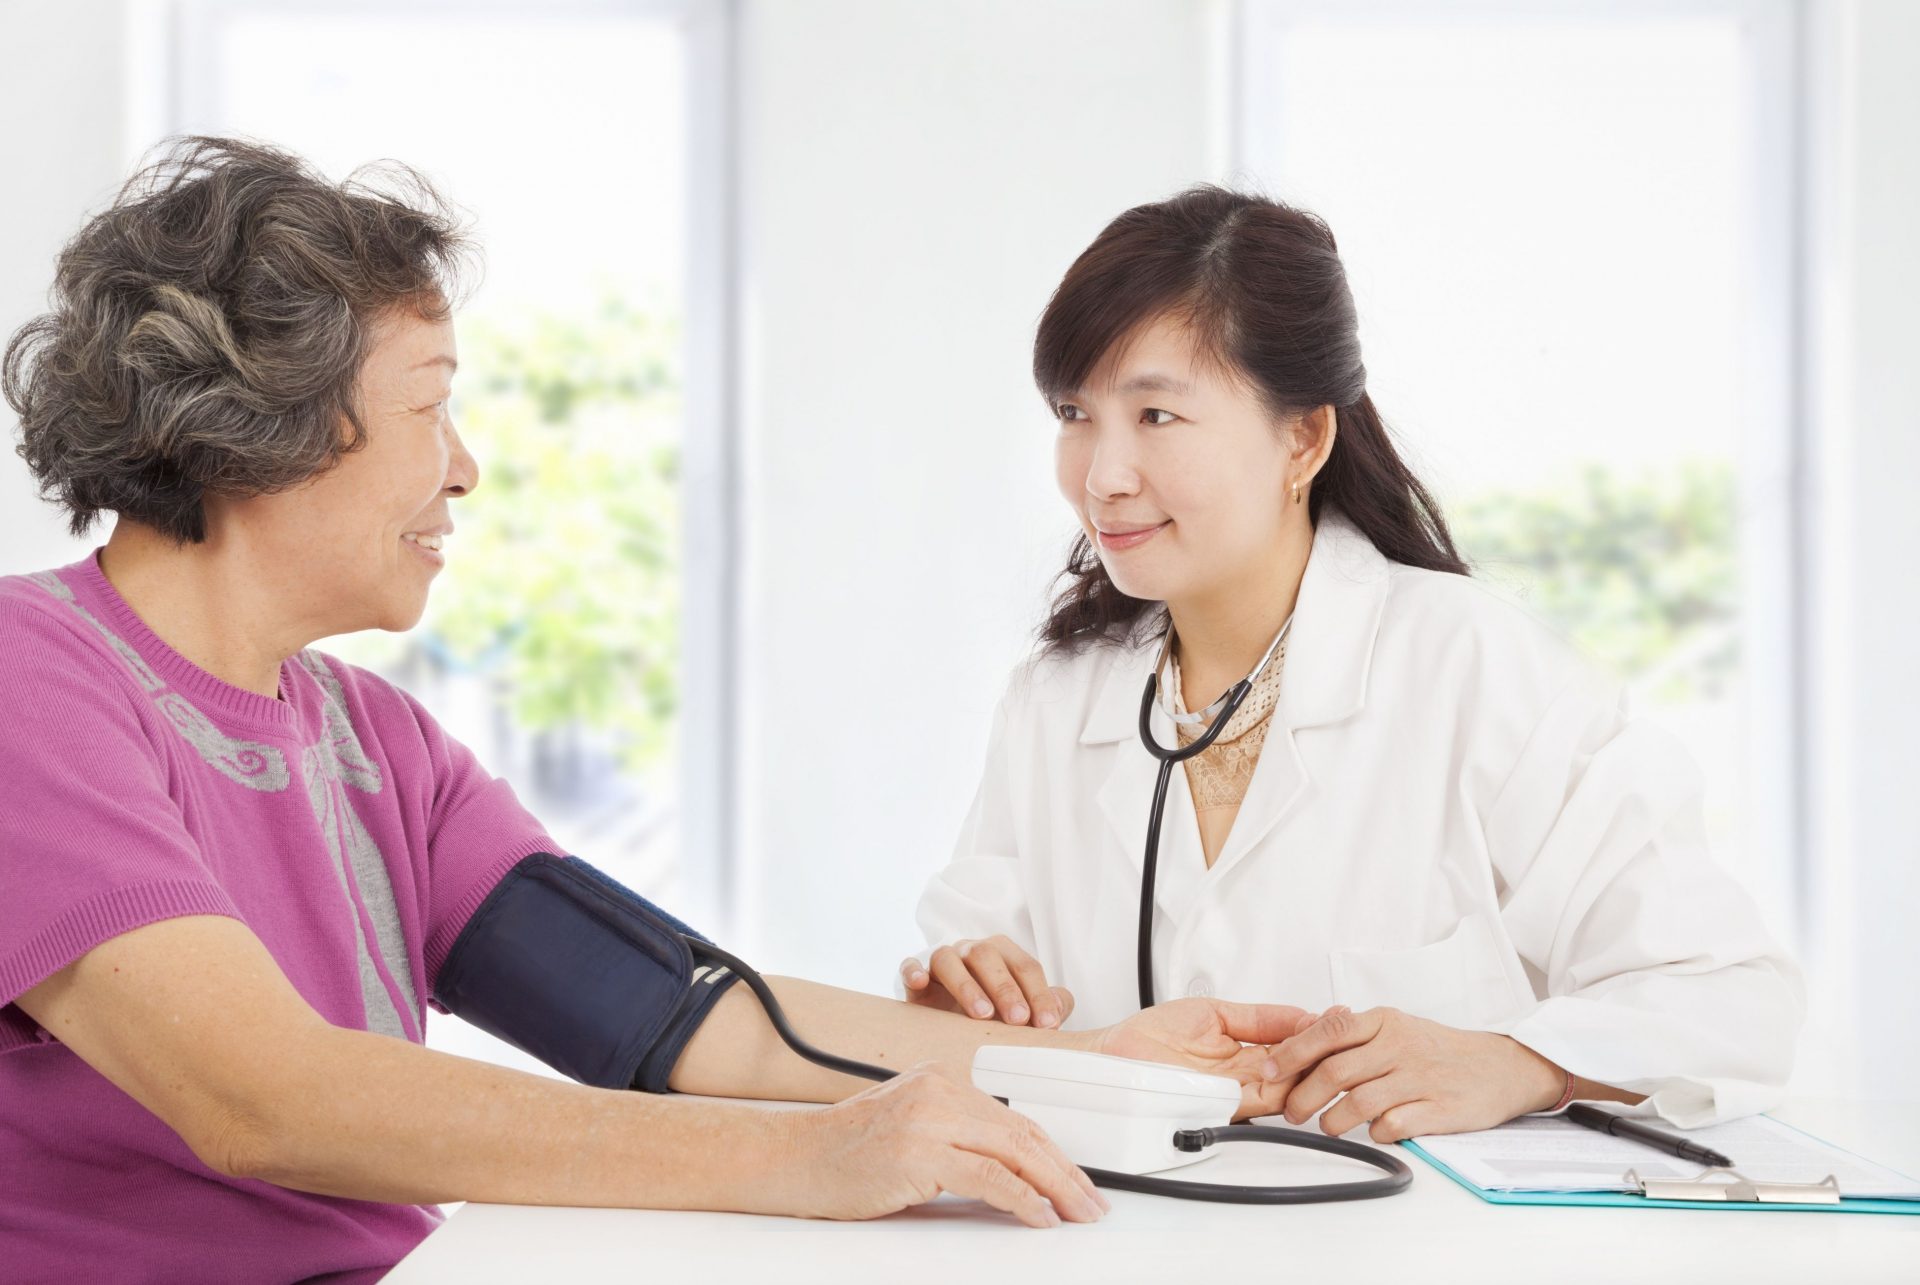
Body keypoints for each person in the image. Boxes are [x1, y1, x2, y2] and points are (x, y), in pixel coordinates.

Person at [0, 140, 1306, 1282]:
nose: (465, 466)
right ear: (255, 431)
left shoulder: (373, 745)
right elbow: (260, 1096)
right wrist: (807, 1159)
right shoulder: (30, 678)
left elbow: (685, 1018)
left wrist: (1091, 1065)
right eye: (428, 404)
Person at [901, 186, 1804, 1142]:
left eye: (1157, 415)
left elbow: (1730, 997)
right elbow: (981, 993)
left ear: (1304, 436)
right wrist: (968, 991)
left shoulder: (1477, 669)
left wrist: (1520, 1061)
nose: (1101, 474)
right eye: (1075, 412)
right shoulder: (1053, 702)